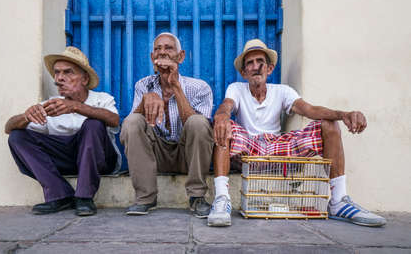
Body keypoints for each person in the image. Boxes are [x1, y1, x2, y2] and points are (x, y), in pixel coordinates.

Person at [207, 38, 386, 227]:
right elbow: (227, 106)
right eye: (250, 63)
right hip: (249, 146)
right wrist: (222, 116)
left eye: (260, 61)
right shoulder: (236, 88)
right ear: (244, 72)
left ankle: (338, 201)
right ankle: (221, 198)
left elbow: (309, 110)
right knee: (223, 124)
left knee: (329, 124)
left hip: (278, 146)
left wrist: (344, 114)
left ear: (270, 68)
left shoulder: (282, 91)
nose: (256, 67)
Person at [5, 46, 121, 216]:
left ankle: (84, 197)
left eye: (68, 72)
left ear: (84, 78)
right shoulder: (52, 104)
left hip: (101, 161)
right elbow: (8, 128)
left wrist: (75, 107)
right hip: (66, 160)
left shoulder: (102, 99)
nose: (60, 78)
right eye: (57, 73)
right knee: (17, 136)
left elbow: (114, 120)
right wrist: (26, 116)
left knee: (94, 124)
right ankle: (60, 195)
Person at [120, 32, 214, 218]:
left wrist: (175, 87)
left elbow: (201, 129)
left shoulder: (200, 87)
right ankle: (145, 198)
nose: (162, 53)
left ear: (181, 56)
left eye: (168, 48)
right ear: (152, 57)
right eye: (157, 49)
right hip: (156, 156)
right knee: (132, 121)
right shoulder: (142, 85)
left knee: (198, 122)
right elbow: (129, 129)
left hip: (188, 156)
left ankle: (197, 197)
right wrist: (146, 99)